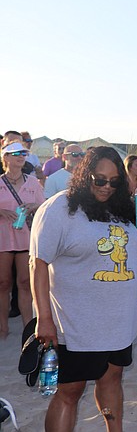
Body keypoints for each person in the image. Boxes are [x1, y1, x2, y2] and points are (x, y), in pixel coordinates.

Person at [30, 146, 137, 432]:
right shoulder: (59, 208)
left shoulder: (121, 208)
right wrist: (44, 319)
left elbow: (133, 252)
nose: (106, 187)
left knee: (112, 380)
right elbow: (37, 264)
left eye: (114, 182)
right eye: (99, 180)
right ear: (84, 175)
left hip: (119, 322)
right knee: (70, 391)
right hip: (77, 323)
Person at [0, 142, 45, 339]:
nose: (21, 156)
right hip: (3, 239)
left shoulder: (33, 182)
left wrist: (33, 206)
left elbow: (44, 206)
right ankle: (3, 327)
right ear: (6, 158)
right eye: (15, 153)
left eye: (23, 153)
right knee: (3, 283)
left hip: (25, 237)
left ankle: (28, 329)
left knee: (25, 283)